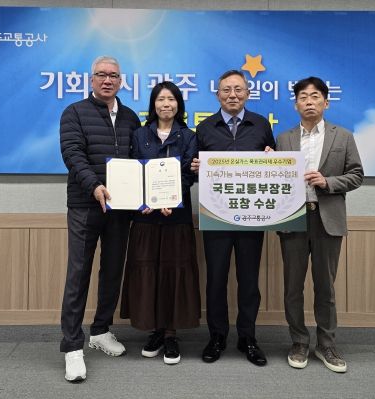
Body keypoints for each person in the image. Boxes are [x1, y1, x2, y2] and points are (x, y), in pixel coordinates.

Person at [59, 55, 141, 382]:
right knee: (78, 273)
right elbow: (72, 154)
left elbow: (139, 160)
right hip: (85, 205)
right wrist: (94, 186)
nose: (107, 80)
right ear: (91, 79)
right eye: (101, 75)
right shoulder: (74, 112)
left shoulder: (131, 118)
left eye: (113, 75)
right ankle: (72, 346)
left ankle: (101, 330)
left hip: (120, 208)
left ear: (121, 81)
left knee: (112, 270)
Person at [276, 76, 363, 373]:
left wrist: (328, 182)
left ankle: (326, 344)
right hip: (293, 218)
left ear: (326, 102)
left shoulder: (344, 137)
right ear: (296, 104)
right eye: (303, 97)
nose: (309, 101)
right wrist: (269, 163)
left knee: (325, 287)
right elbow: (276, 178)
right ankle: (299, 342)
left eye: (315, 96)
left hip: (328, 219)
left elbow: (357, 175)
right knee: (293, 287)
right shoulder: (283, 139)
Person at [190, 69, 276, 367]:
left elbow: (275, 168)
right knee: (216, 278)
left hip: (252, 215)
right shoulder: (205, 128)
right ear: (218, 94)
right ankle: (217, 336)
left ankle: (248, 337)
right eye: (226, 90)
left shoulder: (261, 124)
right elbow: (193, 170)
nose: (233, 95)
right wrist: (195, 168)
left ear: (248, 93)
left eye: (238, 89)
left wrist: (272, 157)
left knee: (249, 279)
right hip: (216, 216)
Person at [120, 81, 201, 365]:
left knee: (173, 274)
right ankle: (154, 331)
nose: (166, 104)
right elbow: (132, 171)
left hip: (176, 217)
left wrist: (171, 198)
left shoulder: (189, 136)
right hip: (145, 217)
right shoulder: (139, 134)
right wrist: (141, 200)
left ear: (179, 104)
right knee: (148, 272)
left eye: (171, 99)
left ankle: (170, 334)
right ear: (153, 104)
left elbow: (188, 174)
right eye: (160, 99)